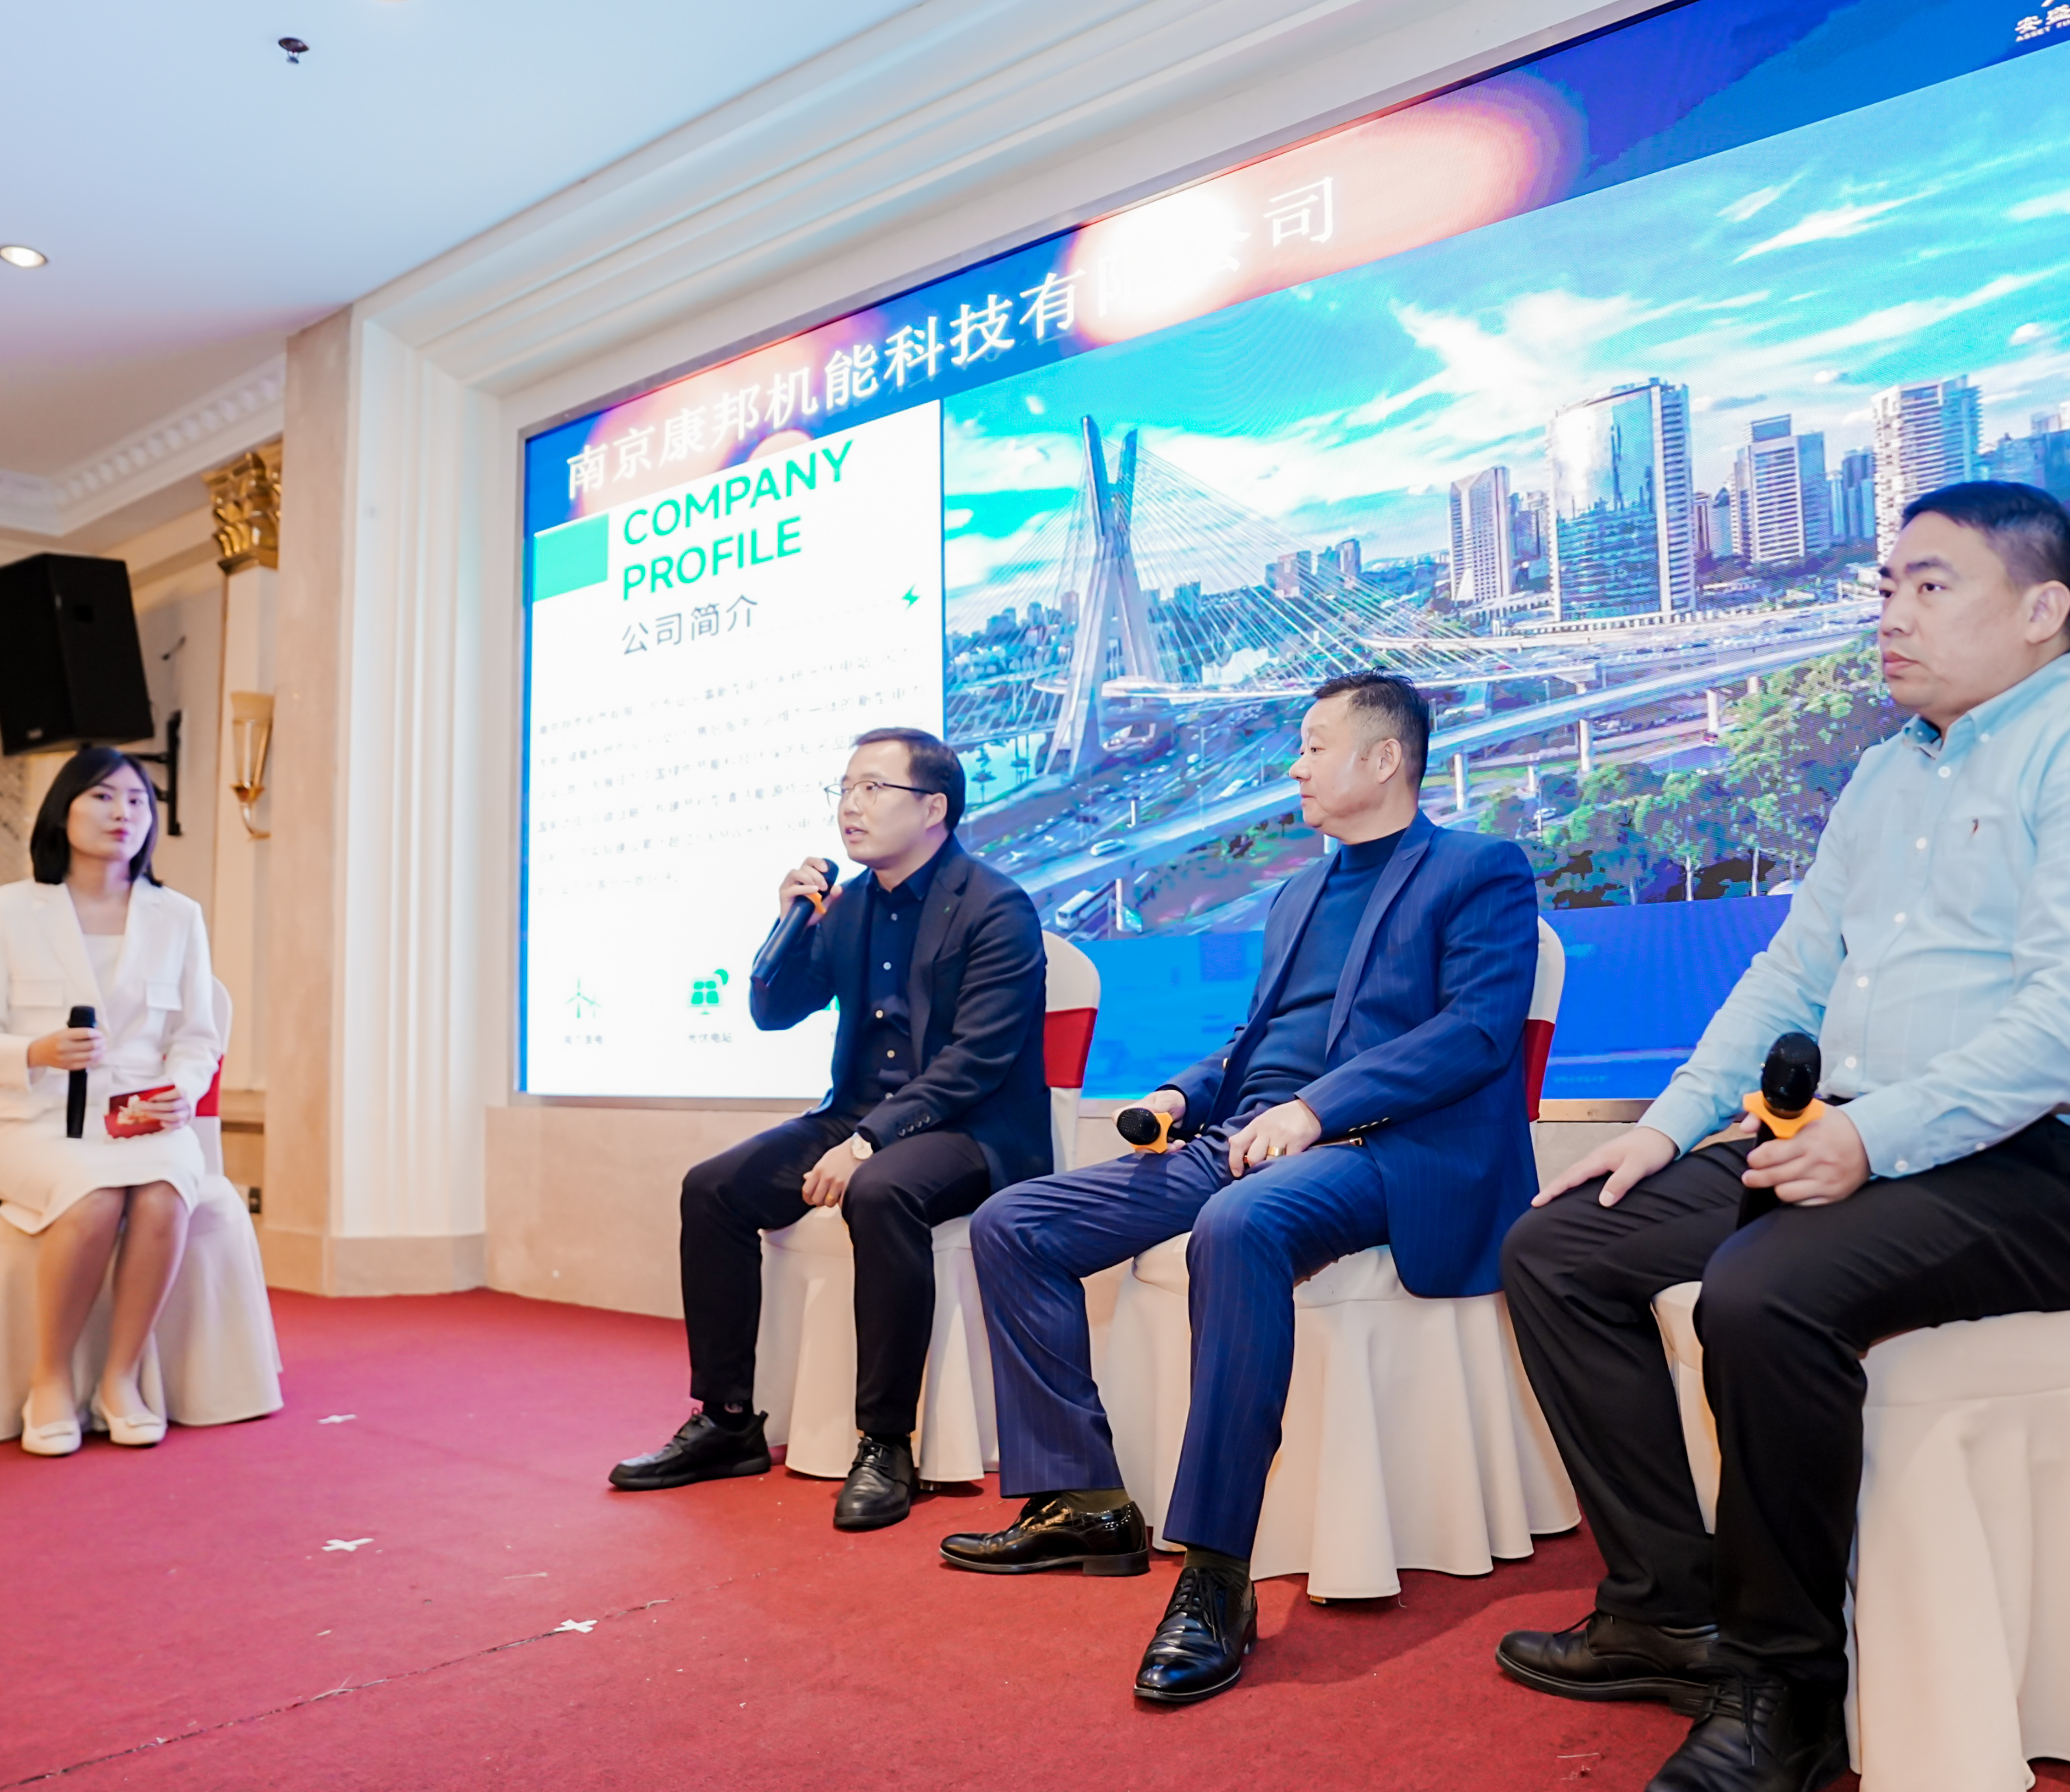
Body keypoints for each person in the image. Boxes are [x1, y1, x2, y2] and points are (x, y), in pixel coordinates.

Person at [1498, 482, 2070, 1792]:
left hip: (2050, 1171)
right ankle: (1667, 1610)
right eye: (1886, 588)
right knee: (1559, 1249)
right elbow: (1789, 974)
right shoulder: (1889, 775)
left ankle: (1787, 1689)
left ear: (2042, 610)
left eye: (1930, 586)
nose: (1891, 614)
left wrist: (1870, 1140)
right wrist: (1667, 1129)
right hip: (1856, 1141)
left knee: (1760, 1290)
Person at [946, 671, 1542, 1704]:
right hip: (1243, 1137)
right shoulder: (1297, 893)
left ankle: (1217, 1573)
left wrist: (1320, 1107)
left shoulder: (1478, 868)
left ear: (1384, 759)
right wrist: (1184, 1093)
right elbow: (1258, 1039)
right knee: (1015, 1222)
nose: (1294, 766)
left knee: (1237, 1225)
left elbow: (1475, 1032)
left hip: (1388, 1149)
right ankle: (1084, 1501)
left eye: (1313, 746)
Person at [607, 727, 1050, 1532]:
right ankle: (728, 1419)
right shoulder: (847, 909)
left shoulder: (996, 906)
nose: (851, 804)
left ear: (933, 808)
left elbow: (976, 1061)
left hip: (973, 1128)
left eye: (873, 787)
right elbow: (773, 1010)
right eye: (844, 787)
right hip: (854, 1113)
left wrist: (867, 1142)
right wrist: (788, 922)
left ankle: (884, 1441)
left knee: (879, 1192)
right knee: (712, 1188)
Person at [0, 747, 272, 1455]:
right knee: (92, 1195)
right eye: (101, 796)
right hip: (31, 1125)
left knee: (163, 1192)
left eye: (137, 800)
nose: (123, 812)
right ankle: (49, 1379)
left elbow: (196, 1038)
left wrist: (181, 1093)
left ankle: (120, 1379)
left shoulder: (177, 915)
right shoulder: (9, 910)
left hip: (142, 1124)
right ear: (62, 811)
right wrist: (36, 1051)